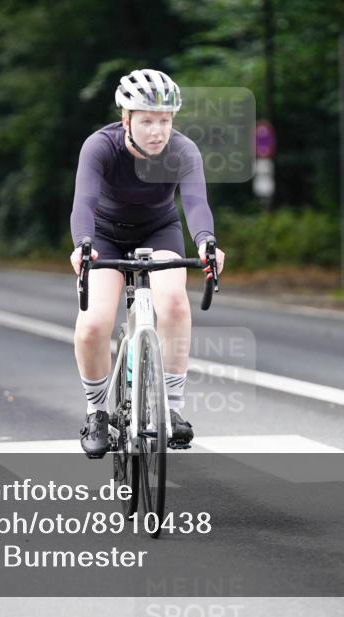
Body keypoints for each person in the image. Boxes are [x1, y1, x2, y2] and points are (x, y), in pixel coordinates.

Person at [69, 69, 225, 459]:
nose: (158, 131)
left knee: (172, 302)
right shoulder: (100, 147)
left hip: (159, 231)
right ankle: (96, 413)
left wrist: (206, 243)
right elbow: (83, 203)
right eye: (147, 121)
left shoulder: (183, 151)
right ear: (126, 119)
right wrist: (83, 246)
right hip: (104, 235)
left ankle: (171, 408)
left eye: (165, 121)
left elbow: (195, 204)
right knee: (92, 325)